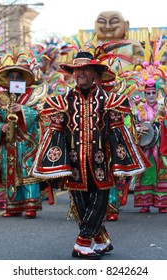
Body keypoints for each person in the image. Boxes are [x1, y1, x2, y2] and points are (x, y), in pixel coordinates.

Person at [31, 50, 150, 259]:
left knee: (99, 201)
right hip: (74, 164)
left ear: (94, 73)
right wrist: (56, 163)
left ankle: (82, 243)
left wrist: (123, 163)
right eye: (77, 70)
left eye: (85, 69)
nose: (80, 74)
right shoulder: (63, 101)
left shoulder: (110, 99)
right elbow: (55, 133)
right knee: (80, 205)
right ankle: (102, 240)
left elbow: (117, 132)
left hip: (100, 162)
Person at [0, 49, 43, 218]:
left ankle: (31, 205)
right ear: (7, 80)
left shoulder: (32, 96)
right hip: (9, 143)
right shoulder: (0, 98)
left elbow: (39, 114)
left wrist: (23, 109)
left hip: (27, 141)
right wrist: (1, 127)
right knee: (10, 173)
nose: (14, 80)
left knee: (27, 172)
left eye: (18, 77)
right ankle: (13, 205)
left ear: (23, 80)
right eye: (11, 77)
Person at [133, 83, 167, 213]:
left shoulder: (162, 107)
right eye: (148, 93)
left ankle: (162, 202)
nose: (151, 95)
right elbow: (134, 124)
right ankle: (144, 202)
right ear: (144, 94)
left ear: (157, 93)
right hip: (145, 146)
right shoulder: (139, 108)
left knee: (162, 172)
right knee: (145, 172)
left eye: (153, 93)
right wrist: (139, 129)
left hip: (160, 144)